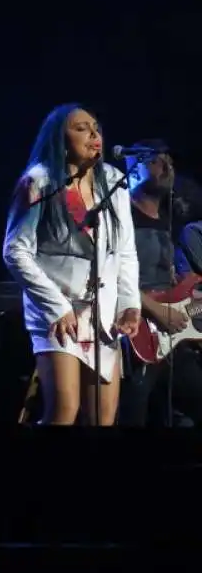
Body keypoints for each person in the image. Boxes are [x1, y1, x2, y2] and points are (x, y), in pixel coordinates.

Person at [3, 103, 141, 426]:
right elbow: (15, 251)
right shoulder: (38, 182)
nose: (93, 134)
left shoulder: (114, 182)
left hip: (102, 314)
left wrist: (130, 304)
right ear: (59, 139)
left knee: (102, 418)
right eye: (81, 128)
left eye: (96, 127)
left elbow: (125, 251)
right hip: (58, 311)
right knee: (65, 410)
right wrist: (55, 306)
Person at [117, 139, 202, 427]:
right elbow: (109, 275)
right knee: (133, 415)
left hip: (171, 335)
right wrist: (156, 309)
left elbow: (171, 281)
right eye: (157, 160)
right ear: (134, 168)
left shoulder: (169, 219)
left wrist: (185, 292)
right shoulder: (120, 215)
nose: (167, 167)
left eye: (170, 162)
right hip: (134, 331)